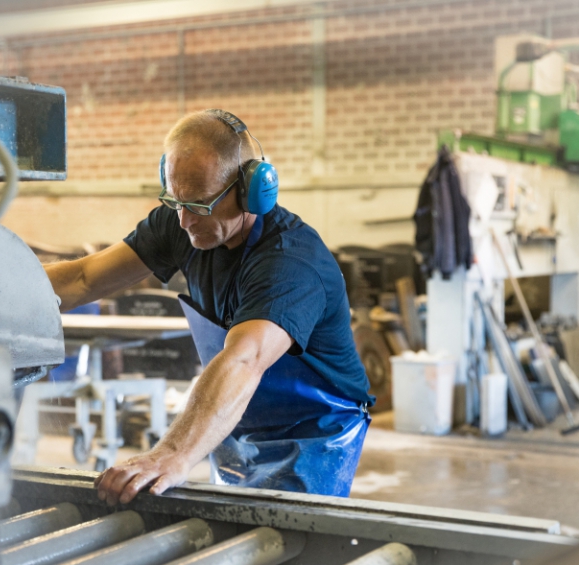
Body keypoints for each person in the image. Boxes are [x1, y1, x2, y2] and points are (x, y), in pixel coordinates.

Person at [46, 109, 374, 508]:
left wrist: (172, 453)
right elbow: (83, 279)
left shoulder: (291, 263)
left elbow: (244, 360)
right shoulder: (183, 220)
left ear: (251, 191)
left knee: (285, 559)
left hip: (311, 431)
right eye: (174, 200)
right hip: (235, 416)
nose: (183, 220)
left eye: (199, 204)